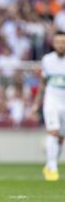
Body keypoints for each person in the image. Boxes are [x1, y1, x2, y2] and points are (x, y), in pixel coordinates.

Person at [32, 31, 65, 181]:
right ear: (53, 43)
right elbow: (43, 83)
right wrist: (36, 103)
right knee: (53, 131)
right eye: (58, 42)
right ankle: (52, 168)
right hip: (51, 100)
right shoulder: (47, 60)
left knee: (60, 137)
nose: (60, 45)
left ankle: (51, 164)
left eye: (63, 42)